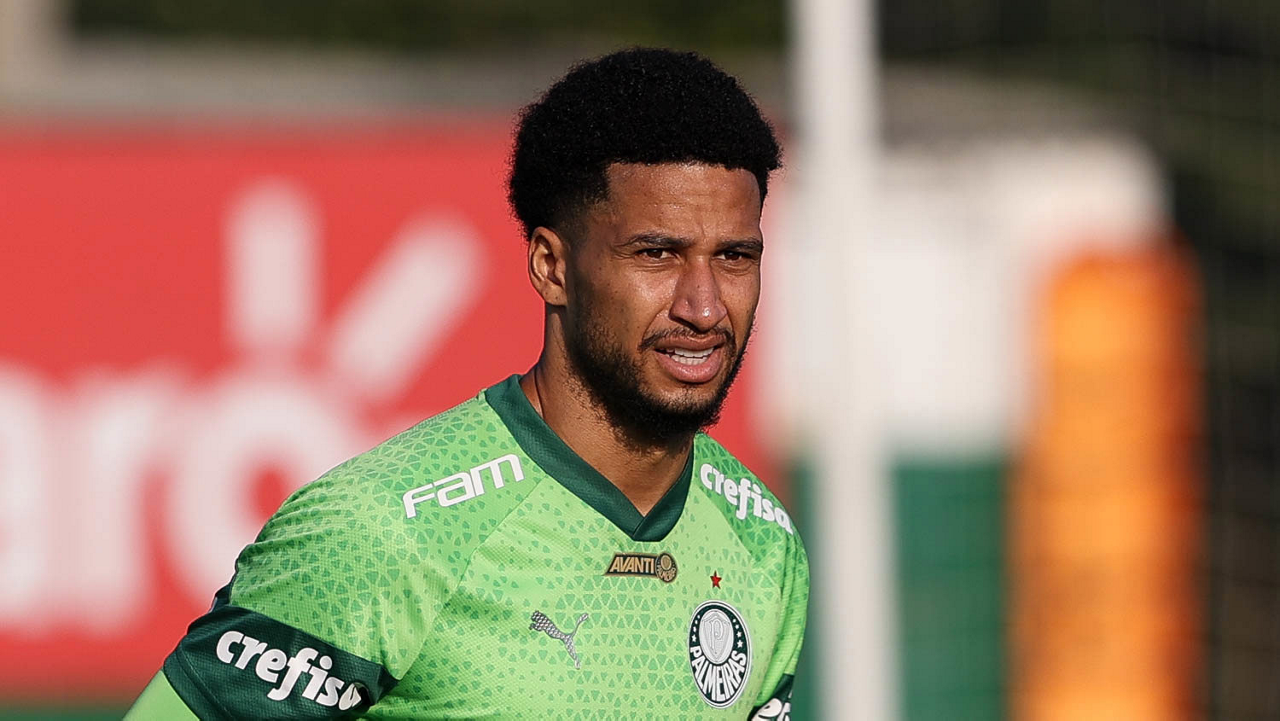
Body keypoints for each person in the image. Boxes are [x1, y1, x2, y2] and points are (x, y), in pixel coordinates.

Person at [126, 47, 808, 719]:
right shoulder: (381, 532)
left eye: (734, 256)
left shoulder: (763, 544)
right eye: (656, 254)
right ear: (551, 267)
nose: (704, 307)